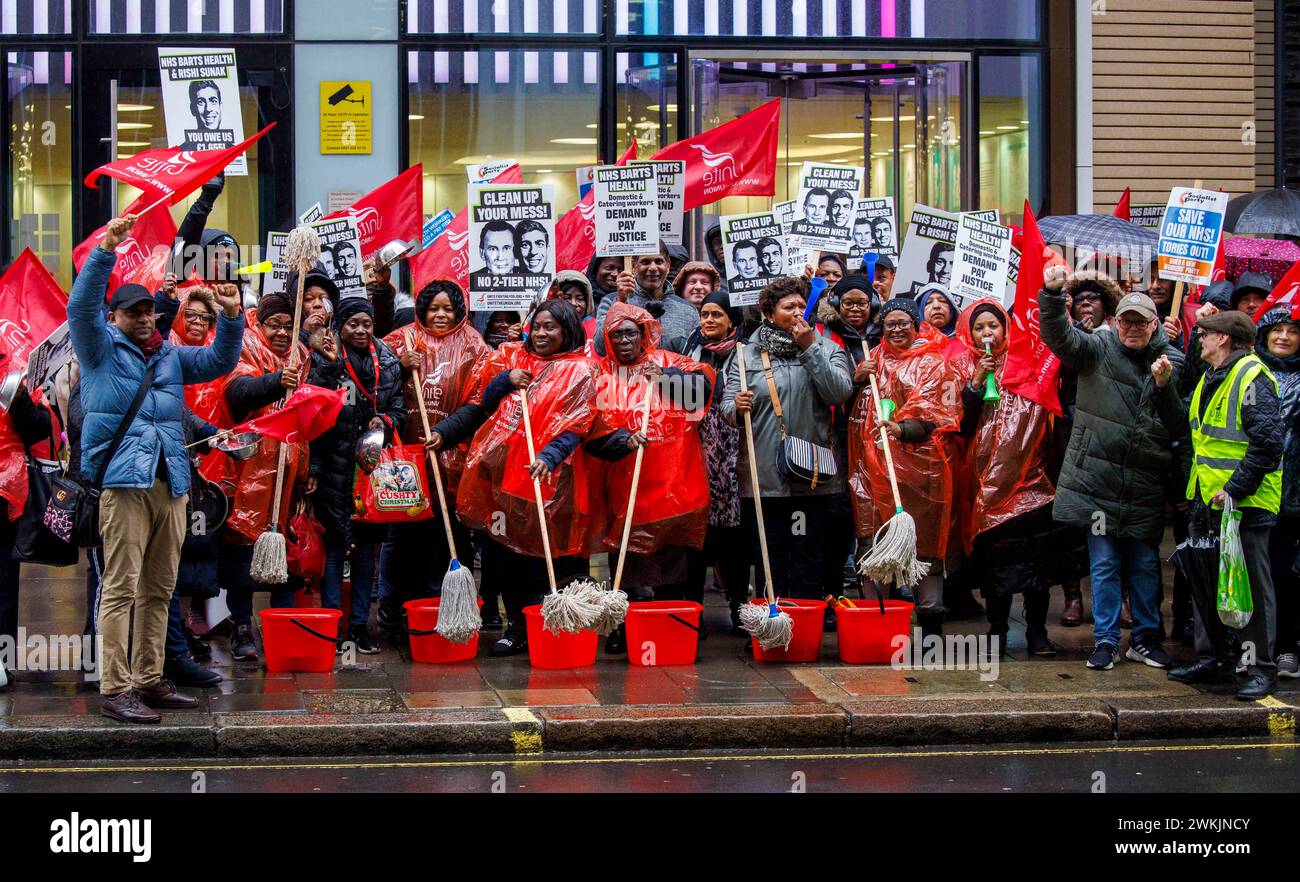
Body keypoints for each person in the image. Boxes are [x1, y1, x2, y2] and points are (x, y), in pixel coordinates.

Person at [69, 214, 244, 724]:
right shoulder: (99, 348)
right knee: (121, 587)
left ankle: (148, 678)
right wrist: (106, 250)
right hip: (124, 485)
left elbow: (217, 362)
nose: (146, 318)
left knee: (160, 588)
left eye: (149, 310)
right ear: (116, 317)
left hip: (172, 484)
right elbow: (81, 306)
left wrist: (231, 317)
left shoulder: (169, 356)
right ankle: (115, 686)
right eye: (134, 312)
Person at [1039, 268, 1184, 671]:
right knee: (1103, 566)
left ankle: (1145, 638)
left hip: (1144, 485)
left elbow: (1179, 424)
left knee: (1143, 564)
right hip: (1098, 487)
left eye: (1141, 322)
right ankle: (1104, 641)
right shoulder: (1098, 348)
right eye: (1126, 321)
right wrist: (1051, 296)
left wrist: (1165, 385)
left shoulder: (1171, 360)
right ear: (1115, 321)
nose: (1132, 328)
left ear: (1155, 324)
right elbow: (1058, 337)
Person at [455, 300, 599, 656]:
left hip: (552, 483)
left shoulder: (580, 369)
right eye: (536, 326)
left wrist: (548, 458)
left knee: (544, 557)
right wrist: (506, 380)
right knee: (507, 556)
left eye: (550, 327)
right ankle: (517, 625)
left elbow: (577, 425)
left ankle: (550, 623)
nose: (541, 333)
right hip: (507, 478)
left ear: (567, 329)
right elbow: (485, 401)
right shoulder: (511, 357)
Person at [950, 299, 1088, 656]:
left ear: (1005, 328)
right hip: (988, 487)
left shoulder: (1029, 361)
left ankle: (1037, 632)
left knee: (1037, 566)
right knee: (999, 568)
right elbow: (959, 426)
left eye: (992, 326)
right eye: (979, 327)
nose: (986, 333)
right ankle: (996, 630)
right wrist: (977, 381)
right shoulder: (962, 366)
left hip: (1035, 479)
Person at [1168, 310, 1282, 699]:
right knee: (1210, 584)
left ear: (1224, 339)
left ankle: (1260, 667)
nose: (1199, 338)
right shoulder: (1210, 376)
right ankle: (1215, 659)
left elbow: (1267, 445)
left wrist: (1234, 489)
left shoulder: (1252, 378)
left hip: (1244, 504)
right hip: (1209, 501)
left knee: (1250, 588)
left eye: (1205, 334)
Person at [587, 302, 713, 653]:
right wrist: (623, 442)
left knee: (673, 563)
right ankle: (622, 626)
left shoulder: (669, 362)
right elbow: (592, 432)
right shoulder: (602, 375)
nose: (624, 340)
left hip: (673, 486)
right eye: (616, 335)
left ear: (644, 334)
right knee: (627, 562)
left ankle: (673, 623)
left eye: (631, 333)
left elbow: (700, 394)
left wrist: (666, 380)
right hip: (625, 489)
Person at [721, 276, 853, 604]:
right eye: (787, 306)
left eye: (801, 305)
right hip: (764, 479)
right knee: (770, 557)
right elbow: (725, 407)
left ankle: (805, 625)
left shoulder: (828, 348)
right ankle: (773, 627)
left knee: (808, 556)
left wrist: (811, 348)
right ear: (769, 313)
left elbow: (839, 392)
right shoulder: (744, 354)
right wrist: (736, 408)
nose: (796, 312)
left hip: (813, 479)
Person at [218, 292, 326, 661]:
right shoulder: (245, 346)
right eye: (273, 325)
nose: (281, 332)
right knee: (242, 557)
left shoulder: (302, 355)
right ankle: (242, 628)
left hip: (290, 468)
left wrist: (311, 466)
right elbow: (236, 393)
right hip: (250, 471)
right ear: (259, 325)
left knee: (288, 556)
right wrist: (276, 380)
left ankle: (283, 623)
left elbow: (309, 415)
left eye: (286, 325)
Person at [385, 280, 495, 622]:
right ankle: (407, 608)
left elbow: (481, 400)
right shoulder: (401, 339)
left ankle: (449, 605)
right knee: (408, 535)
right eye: (434, 308)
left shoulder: (474, 346)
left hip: (453, 458)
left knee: (452, 534)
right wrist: (399, 366)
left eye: (448, 308)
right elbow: (373, 381)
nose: (441, 314)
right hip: (408, 459)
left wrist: (444, 433)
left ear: (460, 310)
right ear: (422, 309)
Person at [851, 298, 961, 637]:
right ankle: (876, 628)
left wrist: (903, 428)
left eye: (903, 323)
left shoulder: (934, 363)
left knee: (924, 548)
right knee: (874, 545)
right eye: (889, 323)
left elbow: (942, 413)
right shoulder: (871, 361)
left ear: (916, 326)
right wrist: (856, 378)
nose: (896, 329)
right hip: (873, 469)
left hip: (923, 472)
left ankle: (930, 629)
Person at [311, 298, 407, 654]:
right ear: (341, 326)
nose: (362, 331)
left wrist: (387, 421)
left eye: (367, 324)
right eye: (354, 324)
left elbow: (400, 406)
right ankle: (333, 625)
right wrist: (315, 467)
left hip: (374, 469)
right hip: (337, 467)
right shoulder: (329, 359)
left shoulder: (389, 361)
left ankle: (359, 627)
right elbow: (316, 409)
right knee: (336, 549)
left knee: (368, 551)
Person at [663, 291, 751, 633]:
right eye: (704, 314)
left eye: (716, 314)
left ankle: (738, 606)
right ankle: (691, 609)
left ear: (732, 320)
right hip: (696, 450)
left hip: (733, 454)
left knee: (734, 539)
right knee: (696, 536)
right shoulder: (688, 351)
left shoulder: (746, 355)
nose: (709, 320)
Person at [1254, 308, 1300, 679]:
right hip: (1254, 491)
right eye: (1277, 330)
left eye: (1292, 331)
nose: (1283, 337)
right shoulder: (1251, 372)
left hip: (1292, 495)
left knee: (1284, 573)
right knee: (1253, 574)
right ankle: (1254, 647)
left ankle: (1286, 647)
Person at [0, 378, 54, 690]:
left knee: (4, 580)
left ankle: (3, 661)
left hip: (6, 490)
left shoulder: (15, 374)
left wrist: (17, 396)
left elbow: (39, 428)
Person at [593, 244, 699, 356]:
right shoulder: (611, 302)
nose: (653, 268)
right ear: (634, 267)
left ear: (668, 265)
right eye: (645, 262)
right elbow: (600, 348)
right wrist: (620, 303)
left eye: (659, 261)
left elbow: (696, 359)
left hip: (675, 374)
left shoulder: (688, 310)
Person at [547, 270, 597, 345]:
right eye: (566, 298)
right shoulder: (540, 327)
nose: (573, 303)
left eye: (580, 299)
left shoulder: (597, 330)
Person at [469, 220, 516, 288]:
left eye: (506, 248)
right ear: (482, 253)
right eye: (493, 249)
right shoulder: (470, 282)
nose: (500, 258)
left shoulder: (529, 277)